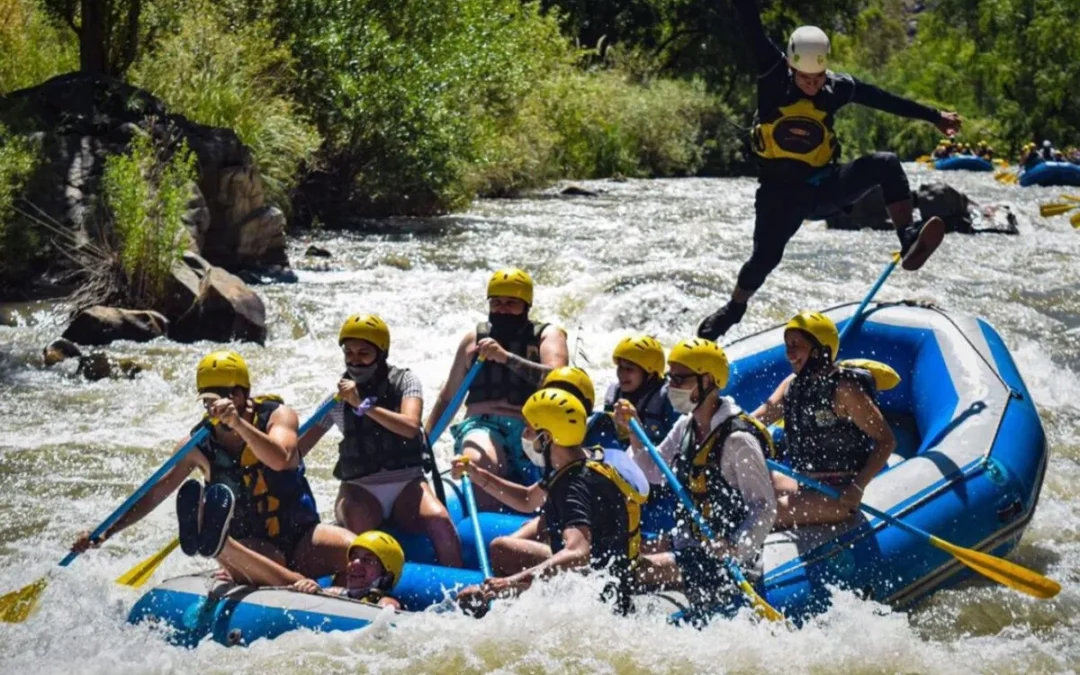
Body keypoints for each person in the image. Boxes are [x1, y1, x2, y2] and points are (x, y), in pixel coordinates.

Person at [696, 0, 961, 340]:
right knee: (764, 259)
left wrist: (934, 117)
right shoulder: (772, 72)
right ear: (791, 66)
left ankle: (908, 237)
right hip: (778, 196)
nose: (813, 84)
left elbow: (884, 99)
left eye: (818, 77)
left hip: (823, 189)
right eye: (805, 78)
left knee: (886, 163)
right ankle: (734, 308)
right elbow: (749, 22)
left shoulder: (838, 87)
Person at [72, 351, 355, 587]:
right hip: (253, 544)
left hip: (302, 535)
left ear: (242, 394)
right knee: (277, 567)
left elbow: (280, 459)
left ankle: (337, 593)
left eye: (223, 398)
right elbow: (155, 493)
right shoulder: (196, 445)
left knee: (361, 552)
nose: (215, 408)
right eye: (208, 401)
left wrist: (239, 425)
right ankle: (220, 547)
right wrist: (107, 531)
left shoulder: (278, 416)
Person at [614, 338, 776, 614]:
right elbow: (654, 472)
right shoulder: (686, 425)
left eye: (679, 379)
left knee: (632, 573)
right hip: (690, 543)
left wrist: (735, 548)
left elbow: (764, 508)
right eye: (670, 378)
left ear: (708, 381)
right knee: (622, 557)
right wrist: (634, 432)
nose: (671, 386)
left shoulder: (738, 439)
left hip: (726, 559)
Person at [452, 388, 647, 614]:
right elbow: (527, 499)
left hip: (598, 600)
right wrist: (477, 474)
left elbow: (578, 553)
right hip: (612, 581)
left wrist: (510, 582)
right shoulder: (587, 457)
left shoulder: (572, 486)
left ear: (546, 437)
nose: (524, 434)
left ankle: (501, 603)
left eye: (529, 428)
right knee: (502, 548)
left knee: (504, 559)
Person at [297, 314, 462, 567]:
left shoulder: (405, 382)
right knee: (363, 537)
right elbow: (297, 450)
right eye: (349, 353)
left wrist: (363, 406)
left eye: (363, 353)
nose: (355, 360)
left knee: (440, 521)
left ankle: (459, 580)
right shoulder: (337, 401)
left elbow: (410, 427)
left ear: (381, 353)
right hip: (360, 490)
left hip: (407, 485)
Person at [425, 268, 568, 510]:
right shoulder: (473, 341)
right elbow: (448, 398)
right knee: (478, 461)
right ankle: (485, 522)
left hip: (534, 431)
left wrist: (506, 358)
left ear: (526, 306)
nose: (502, 309)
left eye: (511, 303)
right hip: (483, 426)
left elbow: (559, 379)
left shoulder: (547, 336)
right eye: (496, 303)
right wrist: (423, 445)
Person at [752, 312, 896, 527]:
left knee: (762, 515)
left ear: (820, 351)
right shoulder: (792, 385)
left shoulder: (844, 389)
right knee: (745, 487)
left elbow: (887, 441)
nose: (789, 353)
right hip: (804, 483)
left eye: (796, 345)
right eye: (787, 345)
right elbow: (759, 418)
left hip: (839, 494)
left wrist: (858, 487)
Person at [584, 336, 680, 450]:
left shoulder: (668, 401)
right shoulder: (614, 393)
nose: (621, 374)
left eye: (629, 369)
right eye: (620, 367)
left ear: (650, 374)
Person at [292, 531, 404, 609]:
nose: (355, 563)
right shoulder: (337, 593)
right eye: (353, 557)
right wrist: (311, 589)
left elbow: (389, 611)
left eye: (367, 560)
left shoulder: (386, 602)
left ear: (387, 576)